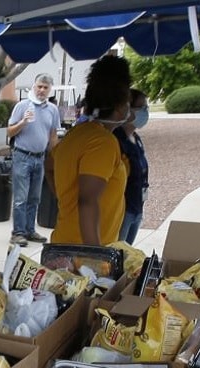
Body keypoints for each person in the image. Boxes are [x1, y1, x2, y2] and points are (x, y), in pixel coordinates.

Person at [47, 55, 132, 246]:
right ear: (120, 106)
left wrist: (65, 200)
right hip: (81, 255)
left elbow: (49, 166)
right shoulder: (103, 142)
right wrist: (94, 258)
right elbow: (87, 201)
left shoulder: (75, 134)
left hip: (66, 244)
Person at [6, 73, 61, 246]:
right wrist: (23, 122)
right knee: (21, 197)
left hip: (40, 158)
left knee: (34, 197)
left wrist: (55, 157)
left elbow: (53, 135)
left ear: (50, 90)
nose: (42, 90)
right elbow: (9, 132)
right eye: (39, 86)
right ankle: (18, 232)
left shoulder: (52, 109)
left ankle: (29, 230)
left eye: (45, 87)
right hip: (22, 156)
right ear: (33, 86)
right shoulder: (22, 106)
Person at [114, 89, 150, 244]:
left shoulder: (136, 138)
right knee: (118, 252)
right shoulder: (117, 140)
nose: (145, 112)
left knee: (128, 253)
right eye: (142, 107)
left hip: (137, 206)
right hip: (124, 208)